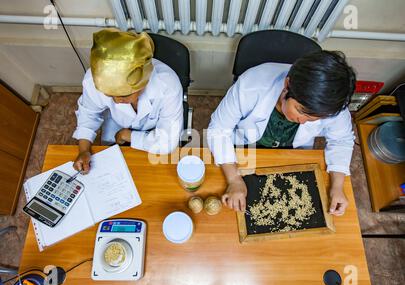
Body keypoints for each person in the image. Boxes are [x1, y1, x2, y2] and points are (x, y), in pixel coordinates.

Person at [207, 50, 356, 216]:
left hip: (291, 153)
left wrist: (337, 186)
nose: (304, 121)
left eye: (315, 118)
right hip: (245, 148)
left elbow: (342, 140)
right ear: (287, 86)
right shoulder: (252, 84)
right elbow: (219, 129)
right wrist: (234, 179)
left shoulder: (332, 105)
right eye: (301, 111)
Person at [72, 28, 183, 173]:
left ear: (144, 82)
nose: (117, 101)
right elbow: (88, 114)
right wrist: (84, 149)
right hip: (116, 122)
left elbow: (167, 142)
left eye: (124, 95)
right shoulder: (93, 81)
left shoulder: (168, 85)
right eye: (110, 95)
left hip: (156, 128)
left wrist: (129, 135)